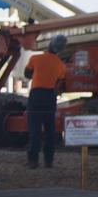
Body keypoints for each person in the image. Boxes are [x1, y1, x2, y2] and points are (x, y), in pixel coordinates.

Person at [24, 34, 68, 169]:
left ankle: (33, 161)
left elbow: (27, 74)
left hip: (36, 95)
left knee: (35, 130)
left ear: (50, 44)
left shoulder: (35, 59)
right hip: (50, 97)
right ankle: (48, 161)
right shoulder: (61, 65)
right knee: (49, 130)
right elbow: (59, 82)